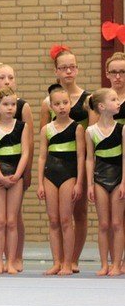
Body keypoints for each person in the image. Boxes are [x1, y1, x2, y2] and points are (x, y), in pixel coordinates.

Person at [40, 46, 92, 273]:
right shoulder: (47, 102)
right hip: (55, 165)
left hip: (78, 163)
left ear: (77, 69)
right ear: (56, 71)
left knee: (78, 213)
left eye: (72, 67)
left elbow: (92, 134)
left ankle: (73, 259)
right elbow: (45, 136)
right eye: (63, 68)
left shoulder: (88, 99)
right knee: (58, 217)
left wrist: (86, 173)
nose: (68, 71)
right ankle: (59, 260)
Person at [0, 63, 34, 272]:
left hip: (16, 172)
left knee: (13, 220)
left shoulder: (22, 122)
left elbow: (27, 149)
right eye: (5, 104)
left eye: (13, 104)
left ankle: (12, 260)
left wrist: (21, 174)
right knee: (0, 220)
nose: (10, 108)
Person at [36, 84, 84, 276]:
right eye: (57, 104)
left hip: (68, 174)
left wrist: (79, 182)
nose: (62, 106)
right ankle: (56, 262)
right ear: (51, 107)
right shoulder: (46, 129)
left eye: (65, 102)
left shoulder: (77, 128)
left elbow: (81, 156)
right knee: (53, 220)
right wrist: (40, 182)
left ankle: (67, 262)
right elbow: (41, 157)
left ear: (70, 103)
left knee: (65, 219)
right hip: (50, 174)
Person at [84, 88, 125, 276]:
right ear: (101, 106)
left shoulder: (122, 129)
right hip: (100, 178)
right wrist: (90, 184)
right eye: (114, 100)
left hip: (118, 178)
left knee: (117, 223)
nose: (118, 103)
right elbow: (89, 159)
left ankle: (116, 263)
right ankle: (104, 264)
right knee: (103, 224)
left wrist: (123, 182)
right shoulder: (90, 131)